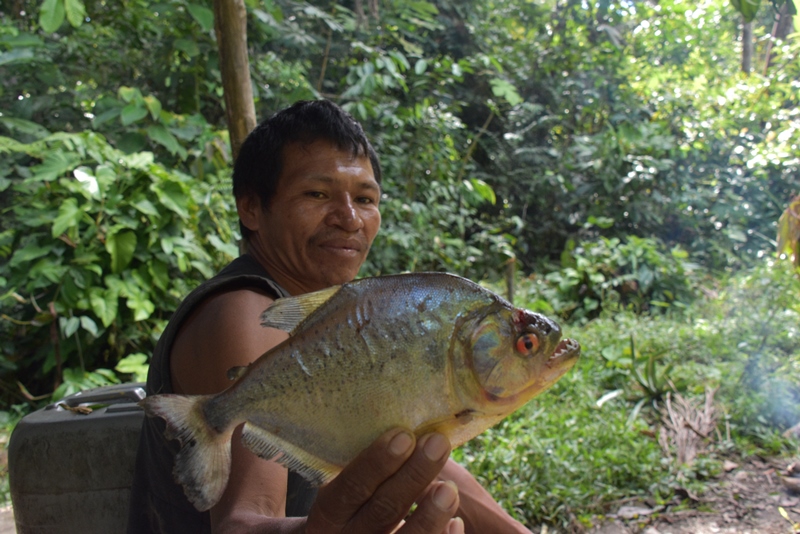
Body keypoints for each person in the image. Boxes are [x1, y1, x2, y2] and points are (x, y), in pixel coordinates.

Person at [128, 100, 531, 534]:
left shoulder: (338, 325)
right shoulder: (246, 313)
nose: (350, 218)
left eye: (365, 198)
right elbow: (241, 525)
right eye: (317, 194)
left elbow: (426, 457)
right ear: (251, 209)